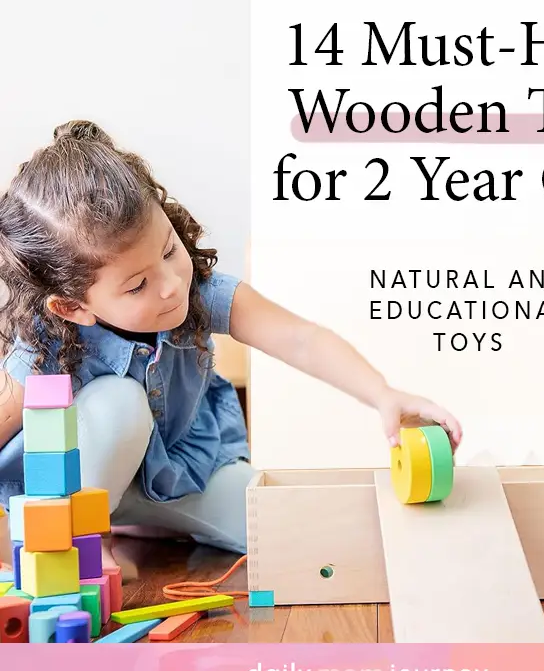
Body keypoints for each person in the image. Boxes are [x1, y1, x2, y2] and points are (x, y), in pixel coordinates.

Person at [0, 121, 462, 561]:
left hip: (170, 475)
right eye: (137, 285)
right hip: (70, 503)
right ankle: (92, 543)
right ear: (72, 306)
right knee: (119, 400)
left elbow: (300, 339)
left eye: (168, 251)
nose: (170, 286)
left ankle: (151, 523)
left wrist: (383, 393)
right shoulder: (46, 343)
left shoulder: (198, 291)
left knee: (285, 532)